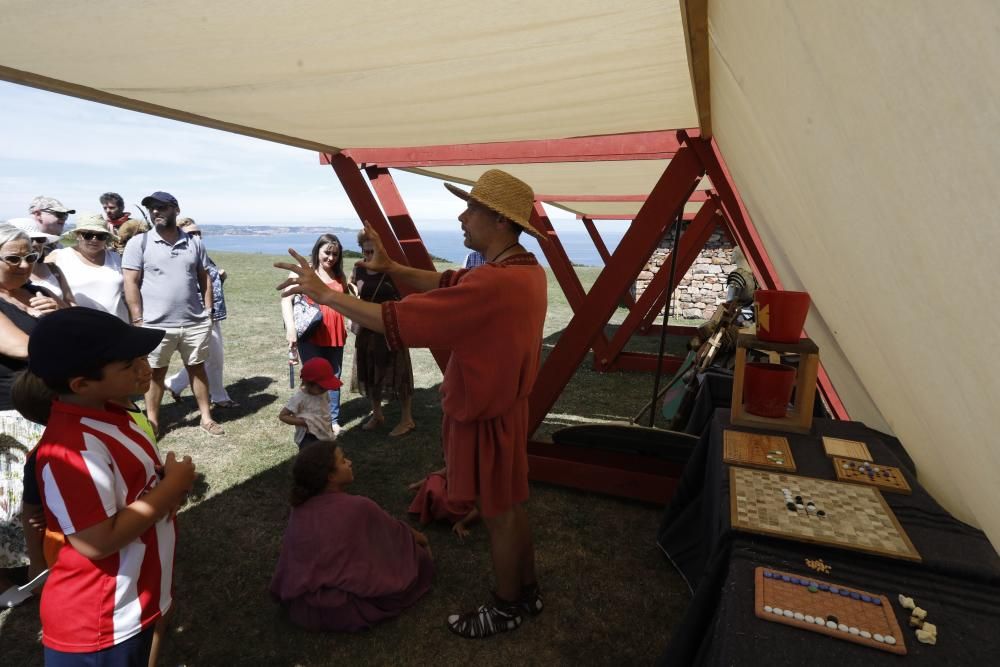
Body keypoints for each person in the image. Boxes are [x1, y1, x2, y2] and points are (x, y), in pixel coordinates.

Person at [276, 169, 547, 638]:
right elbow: (449, 282)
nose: (463, 216)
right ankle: (527, 591)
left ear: (501, 222)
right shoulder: (524, 271)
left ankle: (507, 606)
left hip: (483, 413)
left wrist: (325, 296)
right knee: (510, 505)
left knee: (497, 513)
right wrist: (394, 269)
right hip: (505, 407)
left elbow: (395, 319)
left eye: (473, 209)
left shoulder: (496, 284)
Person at [27, 307, 196, 665]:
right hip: (101, 623)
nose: (143, 368)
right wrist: (172, 487)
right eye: (128, 364)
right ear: (81, 384)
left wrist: (164, 489)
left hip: (132, 603)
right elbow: (96, 541)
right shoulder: (70, 449)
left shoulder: (115, 415)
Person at [270, 440, 433, 632]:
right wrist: (423, 541)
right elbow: (398, 533)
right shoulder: (359, 507)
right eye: (343, 460)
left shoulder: (299, 509)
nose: (349, 462)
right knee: (417, 558)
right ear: (330, 476)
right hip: (342, 609)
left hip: (302, 606)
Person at [122, 191, 223, 437]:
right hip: (156, 325)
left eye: (162, 207)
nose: (156, 212)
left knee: (197, 368)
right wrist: (138, 319)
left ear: (175, 210)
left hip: (194, 321)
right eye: (152, 208)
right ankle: (153, 422)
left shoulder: (194, 243)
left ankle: (206, 417)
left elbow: (204, 276)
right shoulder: (139, 243)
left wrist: (208, 310)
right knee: (155, 374)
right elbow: (130, 282)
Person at [0, 223, 65, 586]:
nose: (24, 265)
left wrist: (58, 311)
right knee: (12, 499)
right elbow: (22, 348)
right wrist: (53, 328)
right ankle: (9, 577)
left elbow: (74, 327)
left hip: (46, 405)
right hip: (10, 412)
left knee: (40, 495)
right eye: (13, 258)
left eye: (31, 256)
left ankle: (41, 563)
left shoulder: (36, 292)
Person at [165, 218, 238, 408]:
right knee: (214, 357)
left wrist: (220, 278)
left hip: (212, 313)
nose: (197, 236)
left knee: (207, 357)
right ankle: (219, 396)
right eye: (191, 234)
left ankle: (175, 383)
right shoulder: (182, 258)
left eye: (198, 233)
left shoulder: (200, 253)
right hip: (198, 315)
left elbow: (208, 285)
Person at [349, 231, 415, 436]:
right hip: (367, 329)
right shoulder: (358, 268)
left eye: (372, 250)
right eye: (365, 251)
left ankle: (407, 419)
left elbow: (406, 296)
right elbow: (354, 287)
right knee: (369, 370)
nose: (368, 255)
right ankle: (377, 414)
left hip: (389, 328)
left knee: (399, 371)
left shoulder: (390, 270)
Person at [280, 234, 347, 434]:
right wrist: (290, 329)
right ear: (317, 250)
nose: (331, 258)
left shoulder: (339, 274)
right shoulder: (305, 272)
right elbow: (285, 300)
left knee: (334, 376)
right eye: (327, 252)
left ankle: (331, 420)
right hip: (311, 331)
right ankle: (308, 416)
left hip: (335, 332)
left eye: (335, 254)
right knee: (312, 376)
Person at [47, 213, 128, 321]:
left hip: (118, 325)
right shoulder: (59, 257)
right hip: (77, 325)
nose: (94, 239)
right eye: (88, 235)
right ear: (78, 235)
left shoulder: (116, 258)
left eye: (100, 236)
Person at [7, 217, 76, 304]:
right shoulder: (11, 275)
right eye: (29, 239)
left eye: (40, 239)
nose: (35, 244)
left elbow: (70, 302)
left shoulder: (53, 268)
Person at [279, 357, 340, 448]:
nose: (326, 389)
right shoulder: (300, 398)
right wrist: (303, 422)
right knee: (310, 457)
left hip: (324, 430)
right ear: (308, 383)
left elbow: (325, 409)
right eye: (322, 387)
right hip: (308, 435)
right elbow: (283, 416)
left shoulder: (323, 392)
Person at [408, 468, 479, 538]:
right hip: (452, 496)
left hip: (458, 507)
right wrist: (417, 484)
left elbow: (479, 509)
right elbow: (443, 472)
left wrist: (462, 523)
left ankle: (432, 503)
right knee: (436, 480)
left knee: (436, 486)